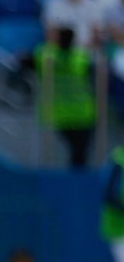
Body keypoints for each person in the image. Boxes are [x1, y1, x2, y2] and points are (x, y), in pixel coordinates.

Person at [34, 23, 101, 167]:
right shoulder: (80, 57)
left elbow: (26, 60)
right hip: (81, 114)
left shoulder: (44, 55)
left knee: (76, 153)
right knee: (79, 155)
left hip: (60, 114)